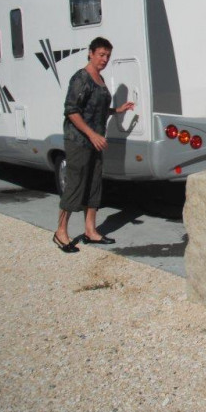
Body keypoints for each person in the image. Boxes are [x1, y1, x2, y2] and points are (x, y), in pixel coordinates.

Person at [52, 37, 135, 252]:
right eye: (101, 54)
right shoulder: (81, 78)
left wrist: (118, 110)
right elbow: (71, 111)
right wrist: (91, 134)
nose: (105, 59)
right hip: (79, 141)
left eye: (108, 55)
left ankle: (90, 230)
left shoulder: (100, 78)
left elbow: (96, 110)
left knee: (94, 184)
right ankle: (60, 232)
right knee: (75, 185)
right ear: (90, 53)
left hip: (96, 142)